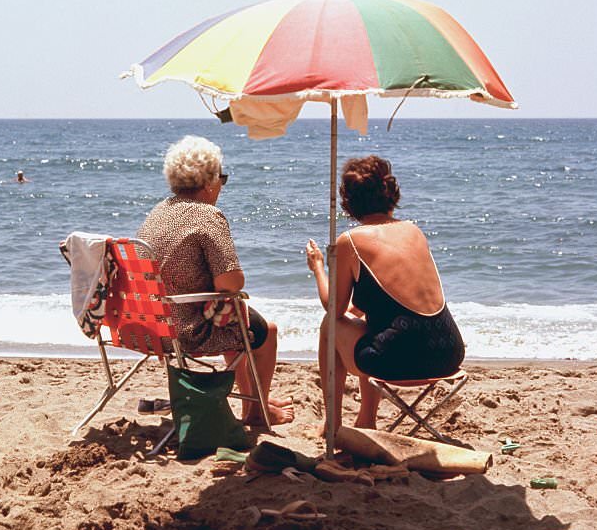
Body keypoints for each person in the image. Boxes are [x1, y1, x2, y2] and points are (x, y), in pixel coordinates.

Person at [138, 135, 294, 426]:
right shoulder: (208, 216)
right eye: (221, 177)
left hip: (152, 326)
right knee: (265, 331)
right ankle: (257, 410)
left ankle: (254, 396)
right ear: (209, 181)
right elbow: (232, 283)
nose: (222, 185)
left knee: (229, 316)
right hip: (188, 330)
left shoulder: (158, 212)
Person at [306, 155, 465, 434]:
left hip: (399, 360)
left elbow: (335, 308)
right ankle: (366, 419)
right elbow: (392, 296)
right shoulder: (413, 230)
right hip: (449, 352)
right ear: (390, 194)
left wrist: (318, 267)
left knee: (329, 327)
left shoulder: (351, 241)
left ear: (349, 201)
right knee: (371, 324)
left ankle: (334, 422)